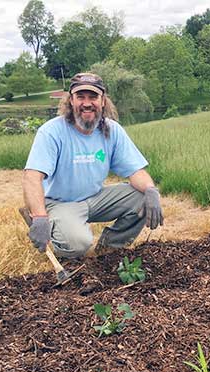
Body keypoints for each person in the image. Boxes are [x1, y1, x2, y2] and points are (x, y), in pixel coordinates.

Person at [22, 72, 163, 258]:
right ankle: (59, 233)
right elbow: (32, 177)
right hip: (61, 202)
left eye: (93, 97)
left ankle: (110, 249)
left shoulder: (112, 130)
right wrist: (39, 217)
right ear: (71, 101)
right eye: (80, 97)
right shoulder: (51, 132)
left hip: (96, 199)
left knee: (143, 196)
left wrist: (151, 191)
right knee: (78, 244)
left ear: (103, 101)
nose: (87, 103)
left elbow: (135, 170)